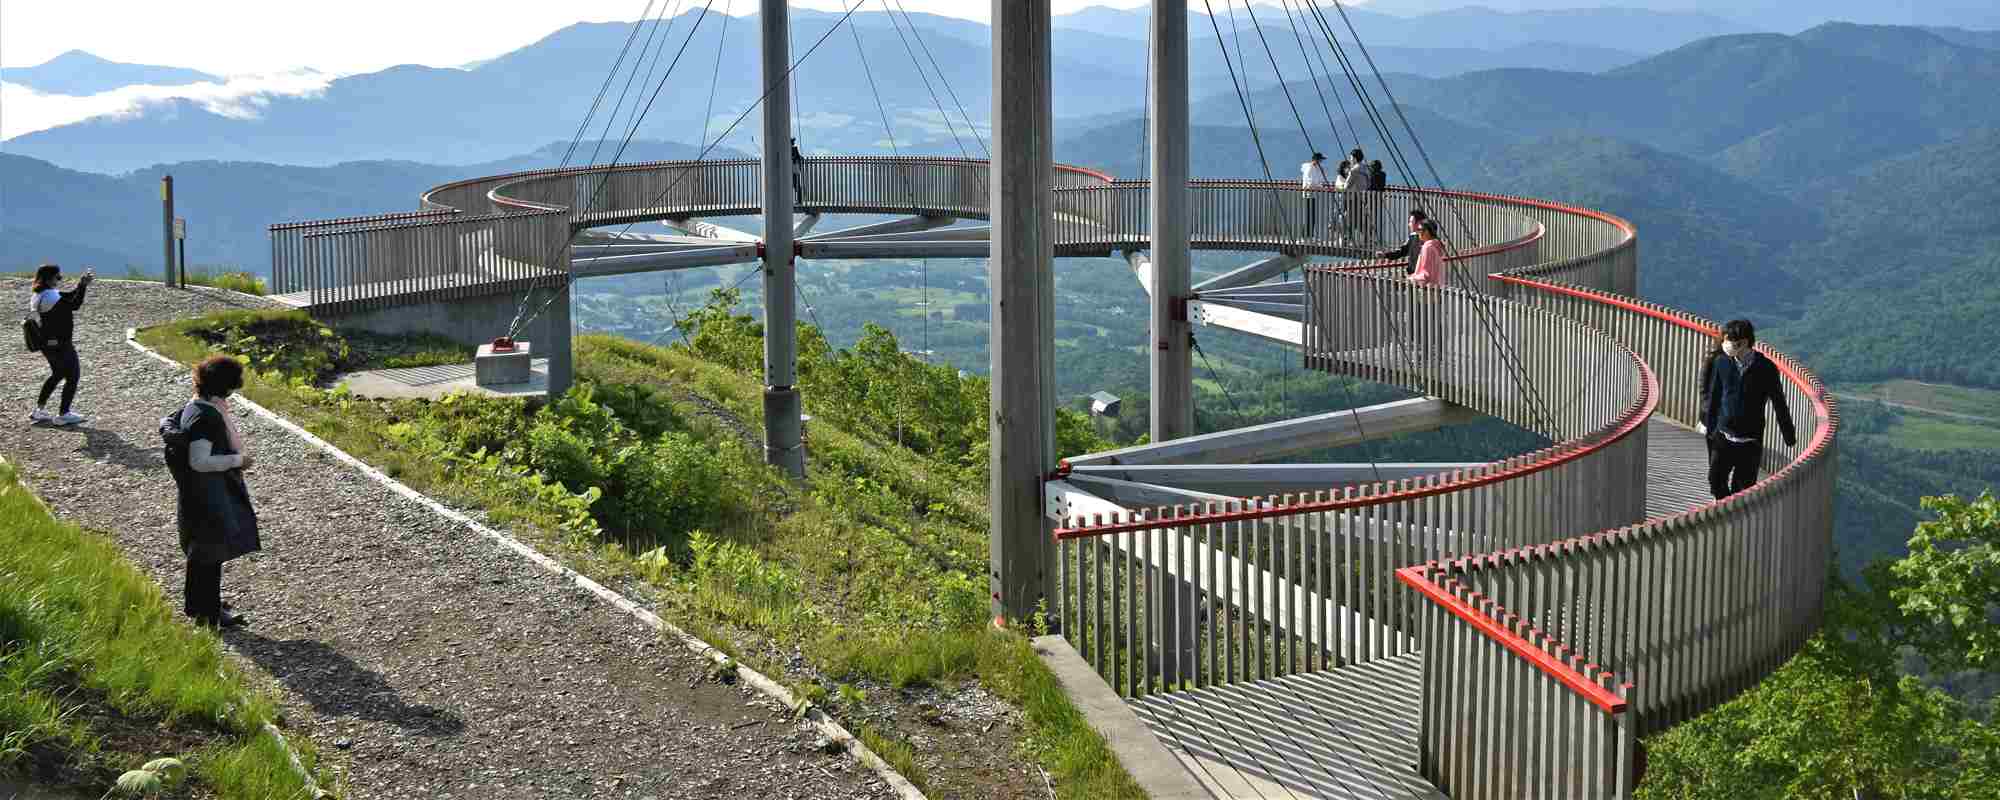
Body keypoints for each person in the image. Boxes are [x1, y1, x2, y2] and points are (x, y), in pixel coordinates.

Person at [169, 355, 261, 628]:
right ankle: (209, 618)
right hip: (207, 493)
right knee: (211, 553)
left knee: (201, 552)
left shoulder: (194, 406)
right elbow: (200, 461)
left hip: (195, 493)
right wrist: (238, 461)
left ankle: (199, 605)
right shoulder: (207, 417)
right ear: (227, 386)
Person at [1700, 319, 1798, 500]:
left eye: (1730, 340)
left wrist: (1789, 435)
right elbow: (1715, 396)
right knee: (1715, 481)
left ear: (1744, 342)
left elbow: (1779, 402)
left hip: (1750, 440)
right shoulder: (1722, 362)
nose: (1726, 344)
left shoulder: (1766, 368)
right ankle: (1725, 512)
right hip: (1723, 435)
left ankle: (1730, 518)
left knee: (1743, 490)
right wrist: (1708, 425)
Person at [26, 264, 93, 426]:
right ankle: (64, 414)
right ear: (49, 279)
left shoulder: (40, 294)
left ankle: (39, 410)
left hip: (46, 344)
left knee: (57, 374)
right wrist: (83, 287)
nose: (59, 280)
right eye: (58, 277)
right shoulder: (50, 297)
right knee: (73, 375)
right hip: (60, 344)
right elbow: (74, 304)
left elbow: (67, 296)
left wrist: (80, 284)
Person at [1376, 209, 1430, 274]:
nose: (1409, 224)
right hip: (1413, 273)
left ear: (1419, 223)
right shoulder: (1412, 237)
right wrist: (1385, 255)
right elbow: (1402, 251)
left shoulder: (1428, 239)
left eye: (1411, 222)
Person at [1299, 152, 1331, 240]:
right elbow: (1309, 183)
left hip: (1313, 194)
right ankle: (1306, 235)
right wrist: (1319, 187)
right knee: (1309, 216)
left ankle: (1309, 235)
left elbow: (1319, 180)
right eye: (1320, 160)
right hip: (1308, 194)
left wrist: (1322, 172)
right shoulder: (1309, 168)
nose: (1321, 162)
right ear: (1316, 159)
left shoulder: (1316, 168)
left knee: (1312, 216)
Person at [1408, 219, 1445, 288]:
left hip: (1427, 289)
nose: (1417, 231)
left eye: (1419, 229)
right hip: (1437, 287)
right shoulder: (1436, 245)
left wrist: (1412, 278)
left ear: (1427, 231)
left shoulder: (1427, 247)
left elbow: (1425, 274)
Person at [790, 138, 806, 204]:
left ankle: (798, 200)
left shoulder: (789, 149)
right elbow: (799, 157)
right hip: (795, 170)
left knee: (795, 185)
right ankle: (799, 200)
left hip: (791, 170)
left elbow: (797, 157)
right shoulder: (794, 149)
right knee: (797, 185)